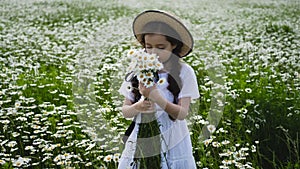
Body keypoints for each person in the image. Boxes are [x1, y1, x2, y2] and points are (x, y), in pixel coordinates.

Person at [118, 10, 200, 169]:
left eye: (161, 47)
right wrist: (138, 107)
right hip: (141, 138)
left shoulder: (185, 72)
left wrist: (158, 98)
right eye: (148, 47)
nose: (153, 52)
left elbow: (182, 113)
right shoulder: (137, 69)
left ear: (174, 44)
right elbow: (125, 111)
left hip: (173, 139)